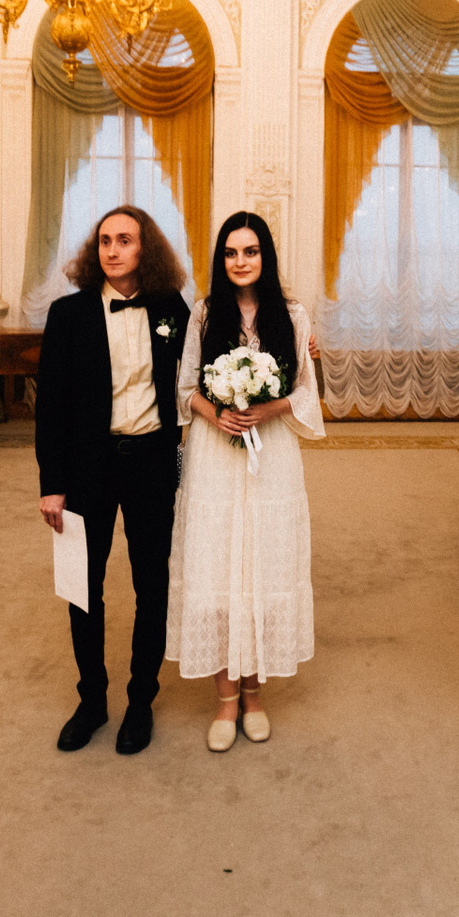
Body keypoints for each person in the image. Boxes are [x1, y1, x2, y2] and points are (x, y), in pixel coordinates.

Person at [36, 206, 192, 756]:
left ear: (145, 249)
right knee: (83, 586)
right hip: (88, 466)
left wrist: (300, 344)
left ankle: (140, 701)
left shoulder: (172, 308)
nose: (112, 249)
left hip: (151, 462)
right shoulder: (68, 314)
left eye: (124, 240)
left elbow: (215, 355)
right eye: (104, 240)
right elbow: (50, 407)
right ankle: (92, 701)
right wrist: (52, 484)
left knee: (151, 585)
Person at [167, 211, 324, 751]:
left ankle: (254, 697)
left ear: (265, 256)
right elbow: (185, 386)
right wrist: (216, 414)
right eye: (231, 253)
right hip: (214, 454)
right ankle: (225, 700)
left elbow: (306, 391)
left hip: (271, 454)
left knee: (262, 567)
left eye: (250, 251)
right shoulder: (205, 313)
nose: (240, 261)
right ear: (221, 259)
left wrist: (268, 408)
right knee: (216, 568)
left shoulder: (294, 315)